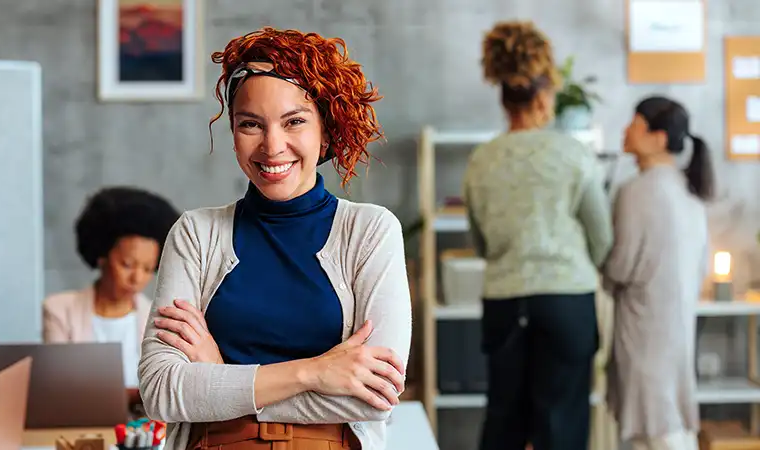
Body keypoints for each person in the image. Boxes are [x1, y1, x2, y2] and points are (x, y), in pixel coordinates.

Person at [138, 27, 412, 450]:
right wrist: (315, 372)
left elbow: (376, 397)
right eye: (251, 124)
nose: (272, 145)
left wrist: (221, 375)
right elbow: (160, 391)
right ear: (233, 133)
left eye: (294, 122)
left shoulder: (371, 232)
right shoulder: (195, 234)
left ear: (326, 129)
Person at [463, 21, 614, 450]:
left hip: (505, 301)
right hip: (568, 303)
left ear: (503, 94)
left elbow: (482, 244)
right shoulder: (573, 153)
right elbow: (602, 240)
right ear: (545, 95)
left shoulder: (482, 160)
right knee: (561, 424)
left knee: (504, 420)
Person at [604, 96, 713, 450]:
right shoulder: (690, 192)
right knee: (671, 425)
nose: (625, 130)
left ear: (658, 137)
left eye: (634, 123)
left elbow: (619, 266)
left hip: (643, 328)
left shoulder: (635, 192)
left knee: (651, 432)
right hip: (676, 325)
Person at [42, 186, 180, 389]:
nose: (137, 278)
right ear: (102, 256)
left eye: (148, 268)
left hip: (142, 421)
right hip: (81, 421)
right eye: (127, 265)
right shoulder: (59, 311)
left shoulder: (160, 319)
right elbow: (57, 387)